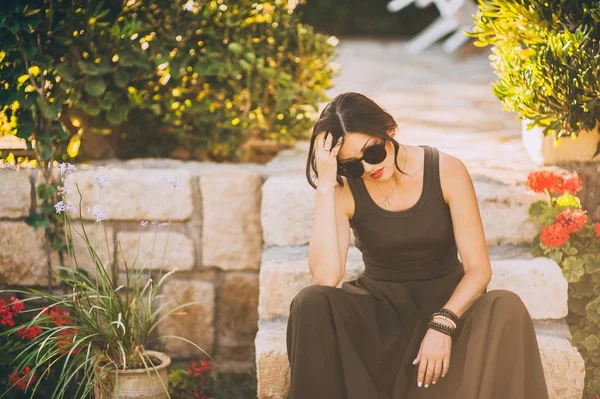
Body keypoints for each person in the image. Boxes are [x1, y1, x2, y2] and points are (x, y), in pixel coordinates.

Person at [286, 92, 549, 399]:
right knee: (311, 301)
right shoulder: (344, 189)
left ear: (388, 129)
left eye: (372, 153)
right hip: (381, 320)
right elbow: (326, 278)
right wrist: (326, 186)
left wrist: (444, 324)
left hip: (446, 306)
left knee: (507, 306)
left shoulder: (446, 171)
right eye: (353, 165)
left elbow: (478, 270)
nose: (368, 169)